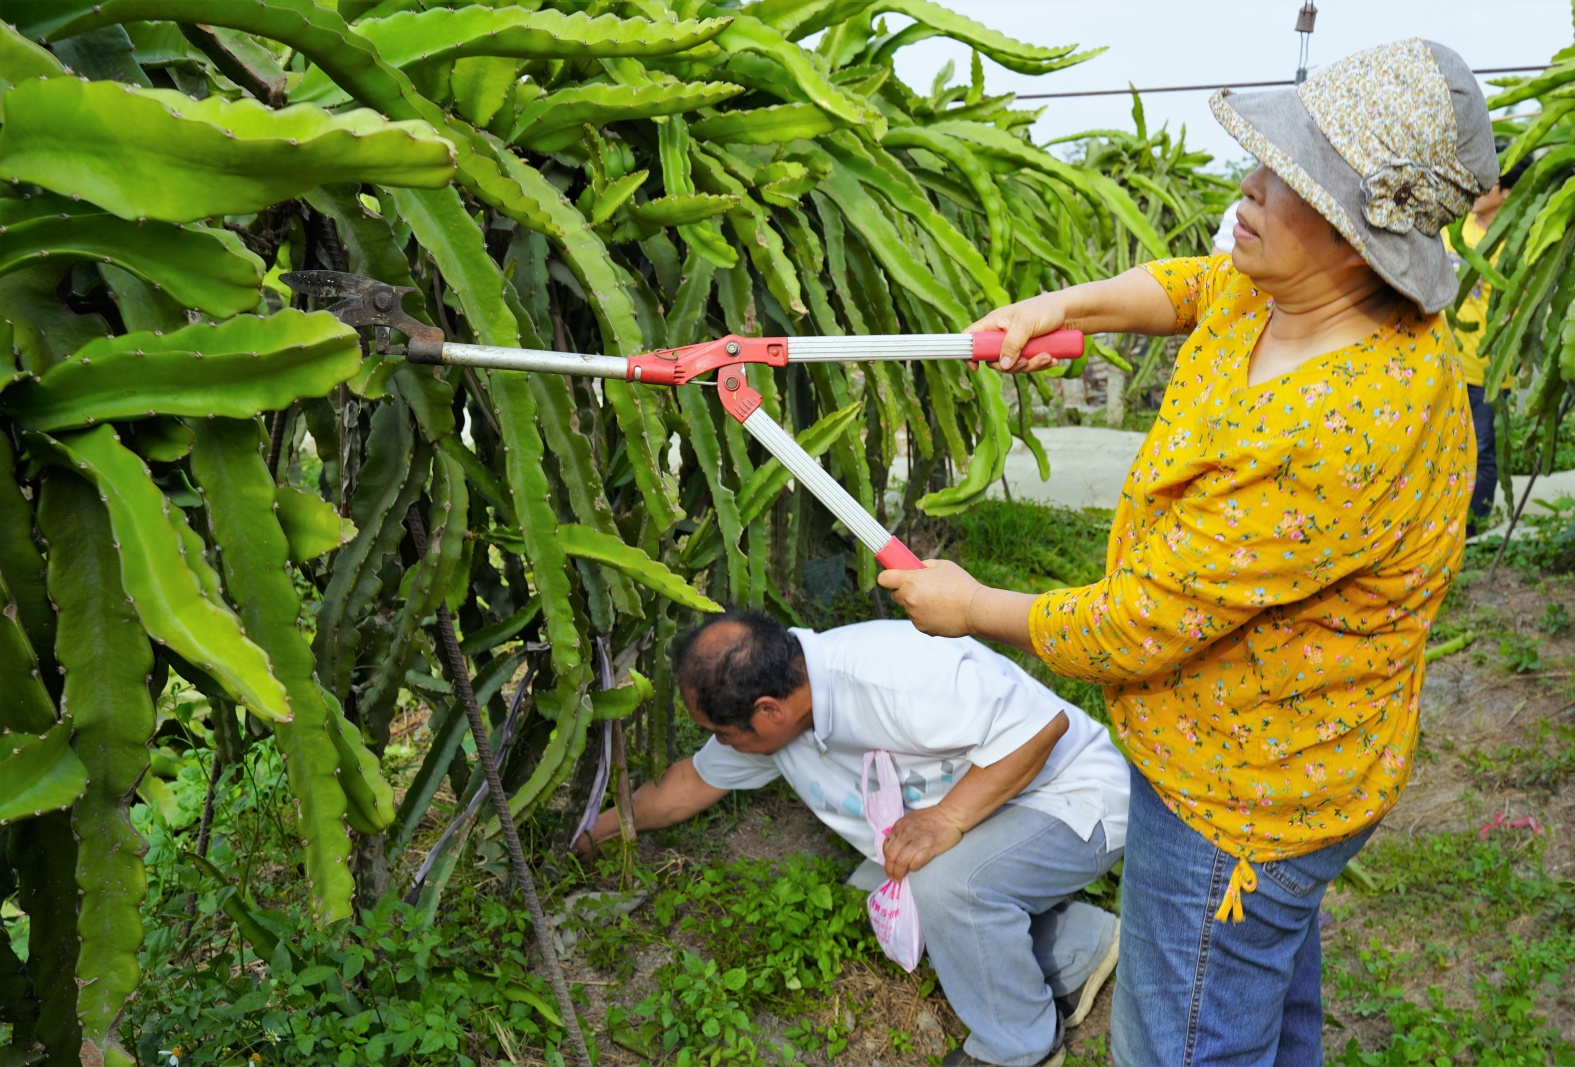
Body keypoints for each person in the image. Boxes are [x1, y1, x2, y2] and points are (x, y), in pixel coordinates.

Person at [879, 39, 1493, 1067]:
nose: (1247, 185)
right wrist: (1062, 306)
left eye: (1288, 177)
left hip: (1240, 794)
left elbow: (1135, 623)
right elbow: (1187, 287)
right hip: (1252, 750)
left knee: (1185, 1037)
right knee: (1249, 988)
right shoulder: (1284, 288)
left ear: (1360, 234)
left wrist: (973, 603)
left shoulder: (1343, 426)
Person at [578, 611, 1129, 1067]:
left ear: (768, 713)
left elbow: (1042, 727)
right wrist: (592, 834)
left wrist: (947, 818)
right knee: (886, 893)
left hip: (1074, 798)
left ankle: (1021, 1049)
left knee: (944, 886)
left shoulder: (896, 673)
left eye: (721, 732)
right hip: (1000, 806)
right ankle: (1081, 948)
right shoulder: (784, 703)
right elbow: (685, 785)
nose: (718, 744)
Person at [1444, 145, 1533, 532]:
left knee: (1482, 451)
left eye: (1487, 181)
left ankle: (1474, 529)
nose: (1475, 186)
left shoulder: (1520, 243)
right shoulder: (1452, 229)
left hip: (1491, 370)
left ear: (1507, 193)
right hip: (1445, 364)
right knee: (1446, 450)